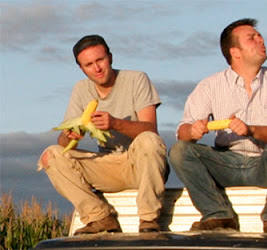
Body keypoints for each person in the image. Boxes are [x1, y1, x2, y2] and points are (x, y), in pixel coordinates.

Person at [169, 18, 267, 234]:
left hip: (264, 163)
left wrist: (250, 130)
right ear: (235, 52)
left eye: (260, 36)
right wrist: (192, 131)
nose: (261, 40)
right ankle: (218, 215)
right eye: (252, 38)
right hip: (225, 162)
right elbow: (182, 131)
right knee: (180, 151)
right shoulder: (210, 85)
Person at [38, 35, 169, 234]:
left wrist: (115, 123)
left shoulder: (136, 79)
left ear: (110, 57)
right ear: (82, 69)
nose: (97, 68)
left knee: (149, 140)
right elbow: (63, 139)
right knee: (52, 154)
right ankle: (100, 217)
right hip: (107, 164)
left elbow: (151, 128)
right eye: (89, 64)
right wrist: (70, 136)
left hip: (139, 163)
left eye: (100, 60)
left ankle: (148, 219)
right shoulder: (81, 89)